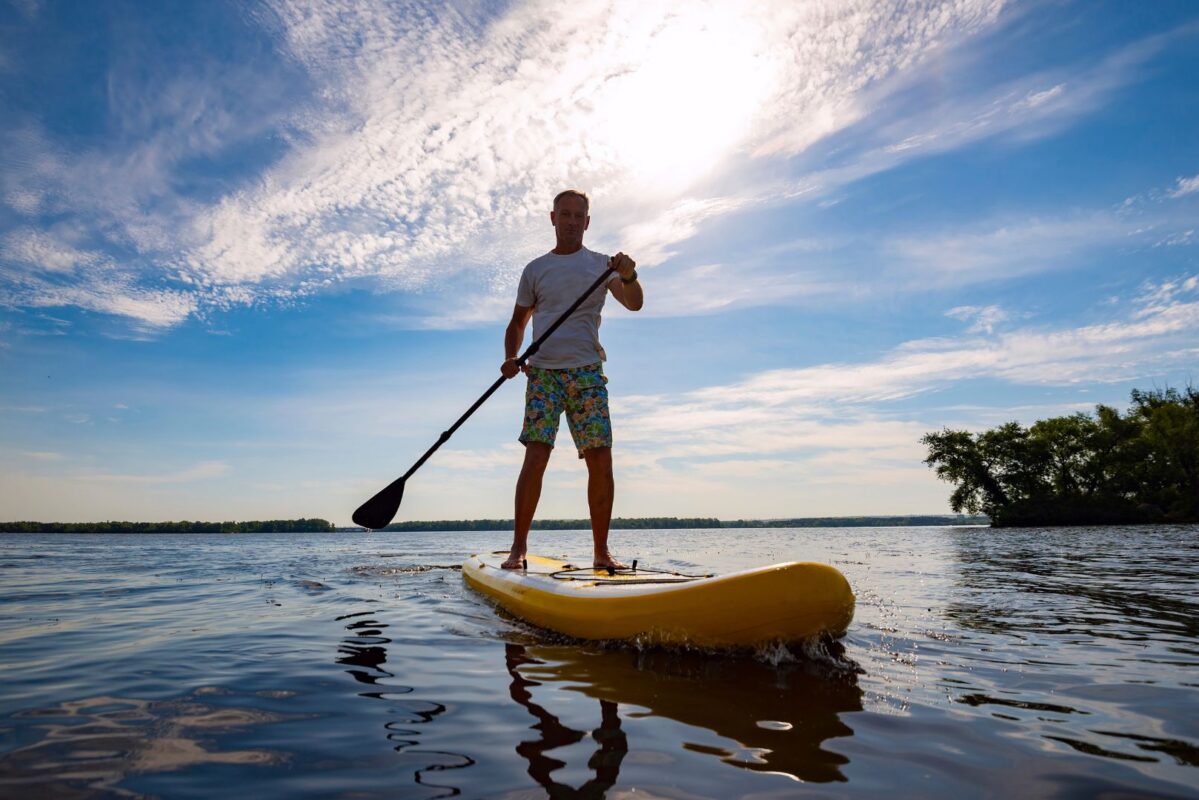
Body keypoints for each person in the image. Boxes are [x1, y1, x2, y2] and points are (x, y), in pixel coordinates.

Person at [499, 189, 643, 570]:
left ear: (588, 221)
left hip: (587, 373)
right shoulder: (536, 269)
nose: (572, 222)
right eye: (565, 214)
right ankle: (518, 549)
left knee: (600, 459)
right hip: (543, 374)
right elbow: (517, 323)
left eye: (579, 216)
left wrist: (629, 275)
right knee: (536, 456)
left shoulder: (602, 266)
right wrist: (511, 357)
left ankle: (601, 552)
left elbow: (634, 302)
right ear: (553, 218)